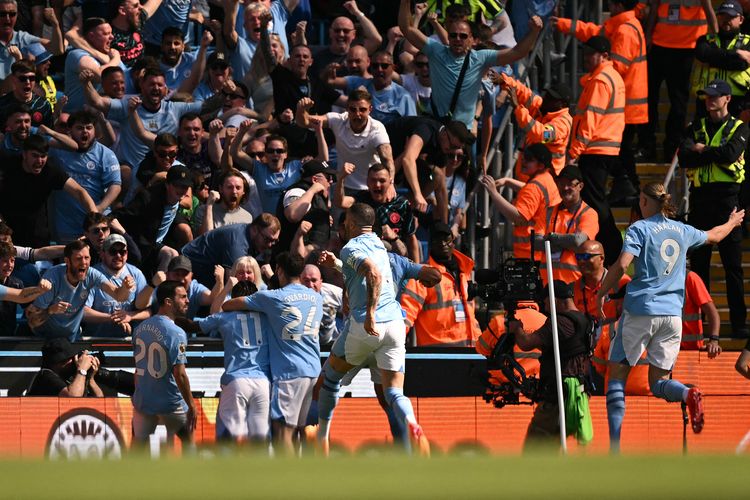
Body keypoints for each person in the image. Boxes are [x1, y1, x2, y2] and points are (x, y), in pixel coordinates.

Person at [596, 182, 745, 452]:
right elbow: (714, 236)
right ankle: (688, 393)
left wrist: (601, 294)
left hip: (641, 310)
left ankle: (614, 448)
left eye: (640, 200)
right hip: (672, 316)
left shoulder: (639, 228)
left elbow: (620, 265)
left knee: (617, 374)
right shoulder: (683, 230)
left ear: (644, 202)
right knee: (658, 383)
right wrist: (733, 222)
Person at [313, 203, 430, 455]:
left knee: (328, 381)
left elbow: (372, 274)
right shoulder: (385, 251)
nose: (343, 227)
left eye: (345, 224)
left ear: (352, 225)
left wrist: (371, 314)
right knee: (391, 395)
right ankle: (411, 427)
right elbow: (426, 274)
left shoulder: (352, 248)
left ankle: (321, 439)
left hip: (365, 328)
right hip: (393, 329)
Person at [223, 252, 322, 453]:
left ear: (279, 271)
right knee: (306, 429)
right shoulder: (316, 297)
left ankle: (286, 478)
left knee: (282, 430)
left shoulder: (271, 297)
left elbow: (228, 305)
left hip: (290, 373)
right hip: (314, 370)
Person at [552, 0, 648, 203]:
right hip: (623, 103)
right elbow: (592, 33)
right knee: (620, 155)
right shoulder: (622, 26)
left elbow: (617, 67)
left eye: (612, 5)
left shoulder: (625, 31)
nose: (609, 9)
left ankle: (629, 188)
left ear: (619, 6)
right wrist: (561, 23)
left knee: (622, 154)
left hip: (625, 105)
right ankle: (627, 187)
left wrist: (592, 79)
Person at [679, 79, 749, 338]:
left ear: (727, 99)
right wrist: (710, 152)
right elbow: (684, 157)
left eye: (715, 96)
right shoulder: (695, 126)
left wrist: (703, 149)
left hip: (727, 200)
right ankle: (700, 324)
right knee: (699, 267)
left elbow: (731, 154)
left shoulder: (740, 127)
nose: (709, 100)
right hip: (700, 200)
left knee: (733, 267)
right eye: (707, 96)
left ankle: (739, 325)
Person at [182, 280, 271, 443]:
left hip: (236, 380)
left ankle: (233, 468)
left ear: (233, 298)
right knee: (261, 440)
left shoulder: (224, 317)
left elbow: (193, 327)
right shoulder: (266, 318)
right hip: (263, 382)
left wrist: (170, 318)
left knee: (233, 437)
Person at [511, 280, 594, 449]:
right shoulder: (584, 320)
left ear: (555, 300)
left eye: (546, 303)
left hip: (558, 395)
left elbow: (526, 343)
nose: (546, 309)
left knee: (536, 442)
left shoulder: (561, 322)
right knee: (555, 442)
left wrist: (517, 328)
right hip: (576, 390)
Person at [566, 35, 626, 266]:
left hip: (596, 148)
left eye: (591, 53)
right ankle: (611, 247)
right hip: (604, 147)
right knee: (596, 200)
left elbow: (590, 118)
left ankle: (611, 249)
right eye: (585, 53)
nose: (586, 57)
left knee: (594, 203)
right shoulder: (610, 76)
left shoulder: (601, 80)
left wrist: (575, 151)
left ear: (605, 56)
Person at [641, 0, 715, 161]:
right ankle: (648, 147)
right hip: (659, 46)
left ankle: (672, 147)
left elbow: (709, 12)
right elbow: (654, 7)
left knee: (678, 104)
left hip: (686, 49)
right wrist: (648, 35)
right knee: (649, 100)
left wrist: (717, 40)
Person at [26, 240, 135, 341]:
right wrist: (50, 310)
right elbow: (32, 321)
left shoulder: (91, 274)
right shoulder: (52, 278)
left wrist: (125, 287)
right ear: (67, 261)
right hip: (46, 340)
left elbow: (119, 295)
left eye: (86, 258)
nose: (84, 263)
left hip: (72, 339)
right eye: (78, 258)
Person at [131, 280, 196, 451]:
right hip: (170, 402)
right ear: (168, 302)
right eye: (182, 297)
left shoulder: (139, 329)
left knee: (137, 450)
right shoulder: (177, 333)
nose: (187, 300)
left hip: (144, 401)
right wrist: (191, 405)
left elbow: (138, 369)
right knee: (189, 443)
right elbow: (179, 374)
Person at [0, 134, 97, 247]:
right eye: (35, 156)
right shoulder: (8, 166)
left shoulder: (50, 170)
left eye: (43, 156)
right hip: (7, 233)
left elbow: (79, 192)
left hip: (36, 235)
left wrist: (95, 220)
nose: (39, 161)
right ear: (24, 154)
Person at [295, 90, 395, 194]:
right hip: (343, 187)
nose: (357, 114)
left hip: (370, 190)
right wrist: (301, 109)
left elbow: (387, 160)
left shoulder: (377, 129)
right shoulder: (337, 120)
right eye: (353, 109)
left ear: (370, 109)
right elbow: (305, 122)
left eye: (362, 110)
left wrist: (390, 184)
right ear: (347, 108)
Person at [401, 222, 481, 346]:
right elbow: (406, 312)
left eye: (446, 240)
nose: (443, 244)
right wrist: (393, 341)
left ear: (453, 242)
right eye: (437, 241)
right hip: (438, 355)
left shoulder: (464, 272)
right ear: (431, 245)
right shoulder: (424, 274)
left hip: (470, 349)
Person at [49, 110, 122, 243]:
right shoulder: (56, 151)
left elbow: (115, 186)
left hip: (97, 225)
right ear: (69, 130)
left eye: (89, 128)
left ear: (95, 130)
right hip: (66, 225)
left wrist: (99, 209)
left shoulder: (105, 154)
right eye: (79, 128)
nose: (85, 132)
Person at [480, 143, 561, 261]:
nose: (523, 161)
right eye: (524, 156)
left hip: (531, 253)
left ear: (541, 165)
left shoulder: (534, 186)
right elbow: (533, 192)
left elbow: (519, 217)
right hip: (542, 249)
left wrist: (494, 193)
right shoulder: (546, 178)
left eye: (529, 159)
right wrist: (508, 181)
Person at [111, 164, 192, 275]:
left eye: (184, 187)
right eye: (177, 185)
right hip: (141, 244)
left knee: (172, 254)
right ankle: (155, 286)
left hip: (156, 243)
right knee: (170, 253)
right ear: (167, 184)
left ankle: (160, 289)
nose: (181, 190)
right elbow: (123, 214)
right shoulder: (147, 198)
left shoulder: (176, 199)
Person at [494, 73, 572, 179]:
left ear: (562, 104)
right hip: (529, 175)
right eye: (547, 94)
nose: (546, 98)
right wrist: (504, 80)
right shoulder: (542, 107)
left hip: (547, 179)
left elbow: (541, 134)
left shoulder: (563, 124)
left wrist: (518, 109)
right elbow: (523, 92)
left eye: (551, 98)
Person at [336, 162, 419, 260]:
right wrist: (341, 179)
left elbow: (411, 238)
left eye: (382, 180)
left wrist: (417, 271)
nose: (377, 185)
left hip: (396, 256)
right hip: (365, 255)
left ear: (390, 182)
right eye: (373, 180)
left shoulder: (402, 204)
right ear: (367, 182)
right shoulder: (362, 199)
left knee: (385, 245)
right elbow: (341, 202)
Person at [181, 213, 281, 288]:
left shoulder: (251, 236)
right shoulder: (237, 244)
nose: (270, 245)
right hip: (189, 268)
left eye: (274, 241)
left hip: (209, 270)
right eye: (267, 239)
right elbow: (233, 285)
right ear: (255, 230)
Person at [541, 165, 599, 284]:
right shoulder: (548, 211)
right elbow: (536, 243)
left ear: (580, 186)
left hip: (574, 284)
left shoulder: (588, 213)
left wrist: (551, 238)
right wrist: (567, 243)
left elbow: (578, 241)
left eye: (570, 184)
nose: (565, 188)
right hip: (546, 282)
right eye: (561, 184)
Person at [83, 234, 149, 338]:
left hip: (129, 341)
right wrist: (113, 318)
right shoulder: (92, 275)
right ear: (102, 254)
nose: (118, 255)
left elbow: (149, 311)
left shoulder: (136, 274)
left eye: (122, 252)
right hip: (96, 339)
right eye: (113, 252)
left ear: (126, 254)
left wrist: (130, 316)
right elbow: (83, 312)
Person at [276, 159, 336, 257]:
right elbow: (293, 215)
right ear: (315, 180)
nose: (331, 181)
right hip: (292, 260)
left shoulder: (316, 196)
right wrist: (312, 190)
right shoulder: (297, 191)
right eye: (328, 177)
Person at [63, 17, 123, 113]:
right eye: (106, 34)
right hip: (76, 118)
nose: (112, 37)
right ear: (91, 36)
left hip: (103, 118)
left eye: (111, 33)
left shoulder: (109, 56)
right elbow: (101, 76)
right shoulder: (77, 55)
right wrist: (116, 58)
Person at [0, 2, 63, 83]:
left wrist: (55, 24)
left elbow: (57, 49)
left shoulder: (22, 38)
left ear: (17, 15)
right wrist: (19, 60)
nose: (7, 18)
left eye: (12, 14)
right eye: (2, 14)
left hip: (17, 92)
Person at [27, 338, 104, 397]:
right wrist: (82, 369)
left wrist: (90, 378)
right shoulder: (45, 375)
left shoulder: (70, 377)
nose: (75, 361)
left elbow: (99, 402)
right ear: (58, 362)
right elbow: (73, 398)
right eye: (71, 358)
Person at [193, 169, 253, 236]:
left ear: (243, 191)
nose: (234, 191)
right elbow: (205, 239)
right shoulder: (204, 211)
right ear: (221, 189)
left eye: (238, 188)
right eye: (229, 187)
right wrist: (209, 205)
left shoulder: (247, 218)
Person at [0, 60, 53, 128]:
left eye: (31, 78)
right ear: (13, 79)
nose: (27, 82)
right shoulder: (2, 104)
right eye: (23, 78)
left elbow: (48, 135)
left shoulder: (43, 105)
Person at [682, 269, 721, 352]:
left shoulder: (689, 277)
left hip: (691, 350)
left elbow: (712, 312)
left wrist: (714, 340)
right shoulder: (654, 277)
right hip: (665, 349)